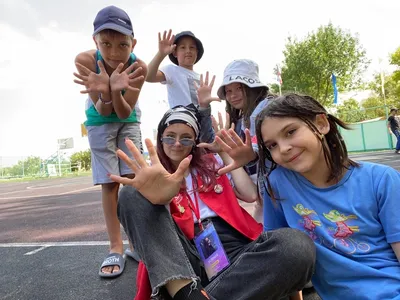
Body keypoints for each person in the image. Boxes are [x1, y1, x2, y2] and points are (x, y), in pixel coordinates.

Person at [110, 106, 315, 300]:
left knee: (296, 246)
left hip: (235, 251)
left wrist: (225, 154)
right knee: (130, 194)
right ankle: (187, 292)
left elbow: (250, 194)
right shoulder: (152, 175)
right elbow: (150, 233)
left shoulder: (212, 164)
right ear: (161, 138)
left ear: (195, 142)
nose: (177, 143)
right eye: (170, 136)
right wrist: (162, 201)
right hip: (181, 258)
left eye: (186, 138)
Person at [252, 93, 400, 299]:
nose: (283, 148)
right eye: (272, 146)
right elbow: (282, 256)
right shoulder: (278, 184)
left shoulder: (382, 179)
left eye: (291, 132)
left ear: (321, 124)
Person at [73, 5, 148, 278]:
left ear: (133, 43)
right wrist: (104, 90)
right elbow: (104, 111)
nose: (114, 53)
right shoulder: (84, 60)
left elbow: (125, 111)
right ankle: (115, 246)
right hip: (98, 120)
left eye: (122, 45)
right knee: (110, 181)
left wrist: (116, 89)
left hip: (128, 118)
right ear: (95, 41)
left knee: (133, 179)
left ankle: (138, 243)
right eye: (106, 44)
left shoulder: (139, 66)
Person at [199, 59, 274, 223]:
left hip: (278, 189)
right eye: (228, 91)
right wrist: (204, 106)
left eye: (239, 88)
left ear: (252, 87)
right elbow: (213, 142)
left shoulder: (264, 109)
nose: (233, 95)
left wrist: (250, 154)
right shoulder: (240, 118)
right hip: (265, 194)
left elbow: (259, 151)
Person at [146, 30, 214, 143]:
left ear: (197, 52)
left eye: (192, 47)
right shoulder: (171, 70)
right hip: (181, 123)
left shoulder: (201, 77)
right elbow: (148, 76)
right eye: (183, 47)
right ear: (175, 52)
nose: (188, 51)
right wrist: (161, 54)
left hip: (201, 123)